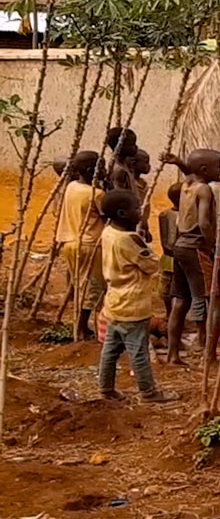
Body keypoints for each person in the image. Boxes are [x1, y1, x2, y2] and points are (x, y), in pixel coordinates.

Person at [95, 189, 178, 403]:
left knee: (110, 351)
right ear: (123, 213)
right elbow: (151, 265)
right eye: (136, 208)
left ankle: (106, 389)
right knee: (138, 352)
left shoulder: (107, 232)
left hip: (114, 303)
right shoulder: (130, 239)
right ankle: (149, 392)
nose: (140, 212)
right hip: (133, 305)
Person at [172, 149, 220, 363]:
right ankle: (210, 355)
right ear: (204, 170)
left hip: (180, 246)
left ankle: (173, 354)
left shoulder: (187, 186)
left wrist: (179, 163)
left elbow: (190, 172)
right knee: (215, 299)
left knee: (180, 300)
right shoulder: (204, 190)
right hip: (197, 247)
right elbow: (203, 221)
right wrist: (213, 246)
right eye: (218, 167)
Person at [54, 151, 107, 343]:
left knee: (79, 283)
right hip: (90, 244)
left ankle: (81, 325)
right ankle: (82, 327)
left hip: (69, 242)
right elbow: (106, 215)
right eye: (102, 167)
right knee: (93, 287)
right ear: (90, 170)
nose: (105, 171)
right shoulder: (97, 194)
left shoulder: (71, 187)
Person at [157, 183, 190, 365]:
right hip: (172, 260)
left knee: (176, 299)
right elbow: (166, 243)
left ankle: (172, 333)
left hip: (177, 258)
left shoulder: (184, 215)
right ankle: (170, 334)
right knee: (170, 297)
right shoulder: (167, 215)